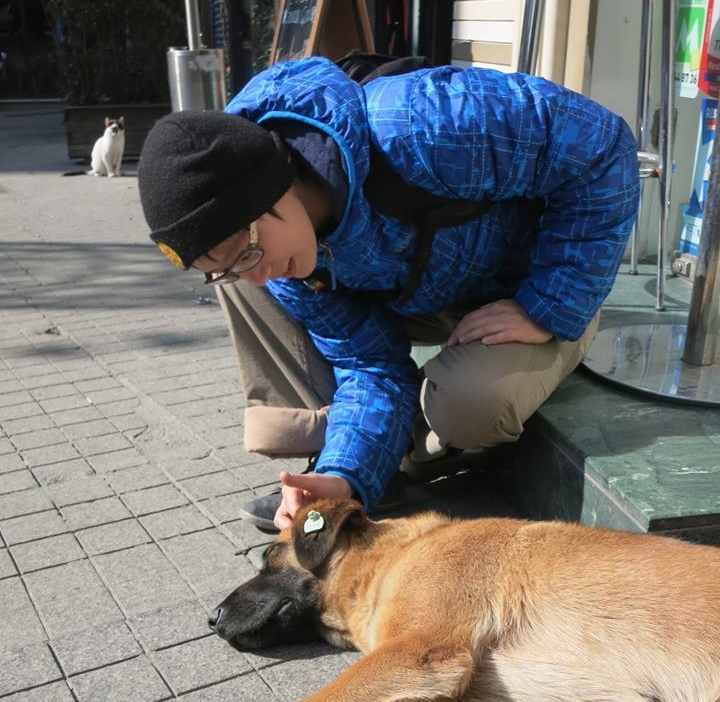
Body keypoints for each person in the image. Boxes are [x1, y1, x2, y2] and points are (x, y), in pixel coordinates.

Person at [138, 55, 639, 532]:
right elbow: (371, 365)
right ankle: (353, 465)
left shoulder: (418, 124)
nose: (255, 273)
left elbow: (603, 146)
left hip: (534, 287)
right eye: (224, 268)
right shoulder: (288, 267)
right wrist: (342, 478)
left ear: (269, 189)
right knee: (252, 295)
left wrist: (546, 306)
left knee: (470, 406)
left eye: (245, 252)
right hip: (425, 300)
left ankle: (413, 448)